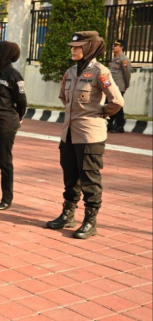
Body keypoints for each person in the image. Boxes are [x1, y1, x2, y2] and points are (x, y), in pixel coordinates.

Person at [47, 31, 123, 240]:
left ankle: (90, 220)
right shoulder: (71, 71)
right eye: (73, 47)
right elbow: (64, 96)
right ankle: (68, 213)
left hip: (90, 135)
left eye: (78, 47)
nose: (73, 50)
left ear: (89, 48)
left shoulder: (101, 72)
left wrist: (99, 113)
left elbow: (116, 101)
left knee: (90, 178)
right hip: (69, 134)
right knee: (70, 176)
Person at [0, 41, 27, 211]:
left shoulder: (14, 76)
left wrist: (18, 118)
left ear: (2, 55)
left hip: (6, 124)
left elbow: (22, 102)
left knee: (5, 162)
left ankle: (7, 198)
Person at [107, 39, 131, 133]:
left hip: (119, 86)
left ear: (121, 47)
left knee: (118, 106)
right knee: (110, 105)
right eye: (113, 45)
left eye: (116, 45)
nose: (113, 46)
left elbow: (127, 73)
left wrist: (126, 85)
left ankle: (120, 126)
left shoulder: (124, 59)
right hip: (111, 86)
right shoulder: (114, 59)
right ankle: (110, 124)